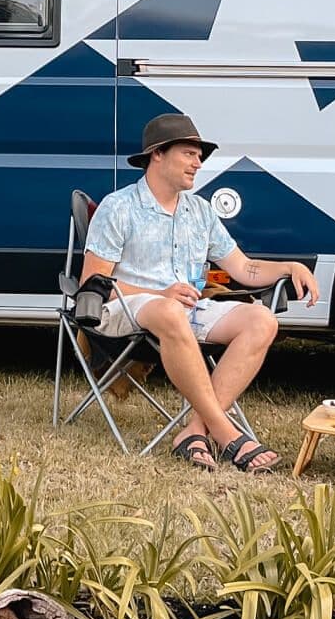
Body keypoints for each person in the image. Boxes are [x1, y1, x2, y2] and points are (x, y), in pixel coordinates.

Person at [82, 112, 320, 472]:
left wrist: (290, 267)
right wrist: (160, 293)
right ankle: (226, 433)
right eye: (189, 153)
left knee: (261, 320)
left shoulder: (200, 211)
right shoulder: (120, 206)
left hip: (185, 311)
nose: (198, 163)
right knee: (169, 311)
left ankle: (194, 430)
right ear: (157, 154)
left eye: (200, 155)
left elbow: (244, 269)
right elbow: (93, 283)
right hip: (125, 309)